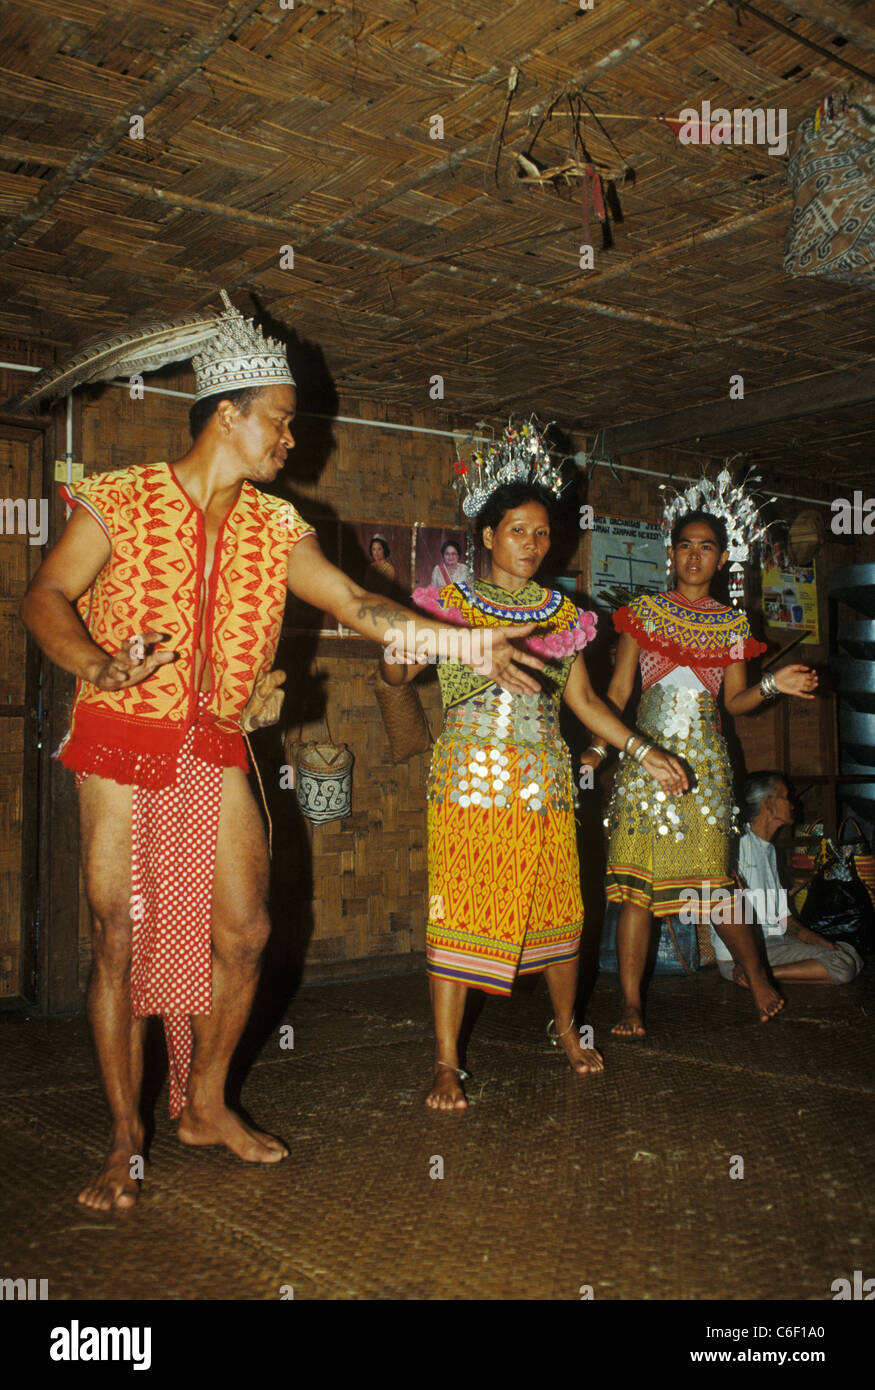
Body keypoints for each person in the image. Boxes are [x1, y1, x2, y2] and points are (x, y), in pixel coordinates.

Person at [20, 295, 545, 1209]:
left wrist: (467, 645)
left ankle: (206, 1104)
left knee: (249, 930)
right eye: (280, 421)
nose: (290, 441)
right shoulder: (120, 496)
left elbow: (356, 605)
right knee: (119, 936)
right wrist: (98, 665)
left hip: (216, 739)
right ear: (227, 414)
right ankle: (123, 1135)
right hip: (120, 735)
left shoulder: (277, 529)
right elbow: (44, 600)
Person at [381, 428, 688, 1112]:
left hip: (545, 781)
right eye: (516, 529)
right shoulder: (447, 602)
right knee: (459, 912)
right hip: (468, 781)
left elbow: (580, 700)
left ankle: (566, 1029)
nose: (531, 542)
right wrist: (424, 638)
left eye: (542, 532)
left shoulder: (563, 614)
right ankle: (444, 1061)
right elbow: (395, 669)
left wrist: (642, 749)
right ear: (486, 536)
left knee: (559, 912)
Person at [586, 504, 818, 1037]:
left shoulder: (731, 624)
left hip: (705, 770)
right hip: (644, 762)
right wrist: (600, 750)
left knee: (714, 884)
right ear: (671, 554)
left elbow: (735, 701)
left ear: (720, 560)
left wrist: (772, 685)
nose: (695, 555)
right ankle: (630, 1006)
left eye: (706, 547)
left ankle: (756, 978)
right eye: (686, 545)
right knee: (636, 891)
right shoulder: (642, 614)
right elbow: (619, 693)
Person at [714, 772, 864, 986]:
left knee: (849, 952)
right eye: (786, 796)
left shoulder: (769, 850)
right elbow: (719, 908)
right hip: (741, 954)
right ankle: (756, 975)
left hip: (774, 943)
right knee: (843, 965)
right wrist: (741, 960)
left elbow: (786, 921)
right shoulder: (739, 844)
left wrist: (822, 943)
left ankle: (765, 973)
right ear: (769, 804)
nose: (793, 804)